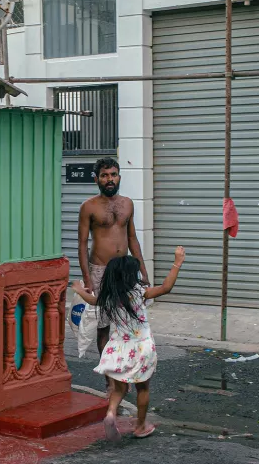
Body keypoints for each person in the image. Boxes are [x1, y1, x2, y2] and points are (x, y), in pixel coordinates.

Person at [71, 246, 185, 441]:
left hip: (117, 348)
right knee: (143, 389)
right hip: (141, 348)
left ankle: (110, 414)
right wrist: (177, 263)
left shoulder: (109, 297)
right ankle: (140, 426)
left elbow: (92, 299)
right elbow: (166, 287)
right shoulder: (140, 293)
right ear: (131, 276)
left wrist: (79, 290)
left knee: (119, 389)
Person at [77, 157, 150, 360]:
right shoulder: (88, 207)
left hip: (124, 272)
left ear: (119, 177)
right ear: (97, 179)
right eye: (104, 175)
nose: (110, 179)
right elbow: (82, 245)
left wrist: (143, 272)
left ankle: (124, 367)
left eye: (113, 175)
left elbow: (132, 238)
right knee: (103, 325)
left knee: (128, 322)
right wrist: (88, 279)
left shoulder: (128, 203)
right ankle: (109, 378)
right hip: (100, 269)